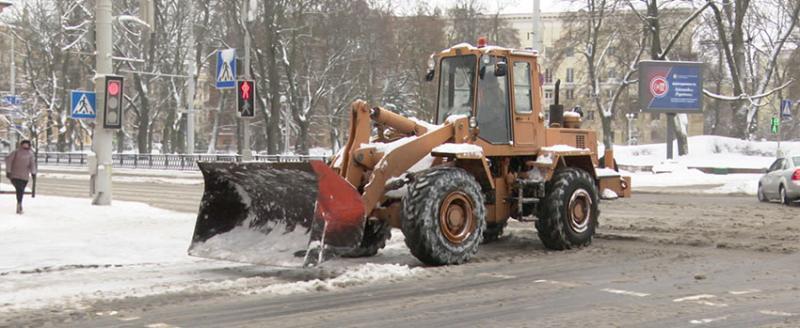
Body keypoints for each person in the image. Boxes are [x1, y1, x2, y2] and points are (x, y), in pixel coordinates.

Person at [5, 140, 37, 214]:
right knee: (20, 189)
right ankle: (19, 204)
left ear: (29, 145)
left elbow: (32, 164)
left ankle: (19, 203)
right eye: (24, 144)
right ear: (21, 145)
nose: (25, 146)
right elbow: (8, 161)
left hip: (24, 177)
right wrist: (8, 171)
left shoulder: (30, 154)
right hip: (15, 176)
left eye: (27, 144)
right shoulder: (15, 152)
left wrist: (33, 173)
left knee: (20, 190)